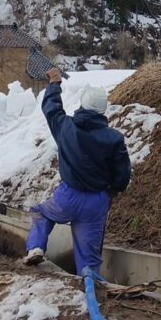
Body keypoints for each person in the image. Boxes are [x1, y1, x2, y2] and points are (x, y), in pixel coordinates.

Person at [24, 68, 131, 274]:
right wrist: (112, 192)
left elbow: (51, 108)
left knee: (41, 213)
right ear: (102, 110)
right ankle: (91, 284)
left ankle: (36, 247)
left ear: (83, 104)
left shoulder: (66, 127)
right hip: (97, 202)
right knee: (89, 259)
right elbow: (122, 175)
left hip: (68, 196)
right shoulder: (114, 138)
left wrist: (54, 83)